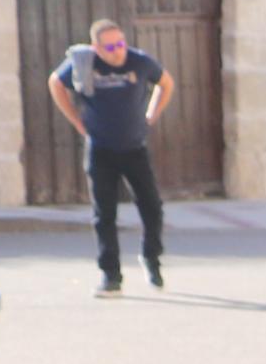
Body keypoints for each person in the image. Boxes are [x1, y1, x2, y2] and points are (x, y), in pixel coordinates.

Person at [49, 17, 173, 298]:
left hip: (134, 147)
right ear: (96, 47)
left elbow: (167, 83)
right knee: (104, 214)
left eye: (121, 43)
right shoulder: (84, 62)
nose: (118, 51)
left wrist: (152, 115)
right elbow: (56, 83)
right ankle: (111, 276)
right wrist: (78, 123)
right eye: (110, 46)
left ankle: (151, 259)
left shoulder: (139, 61)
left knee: (152, 207)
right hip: (100, 149)